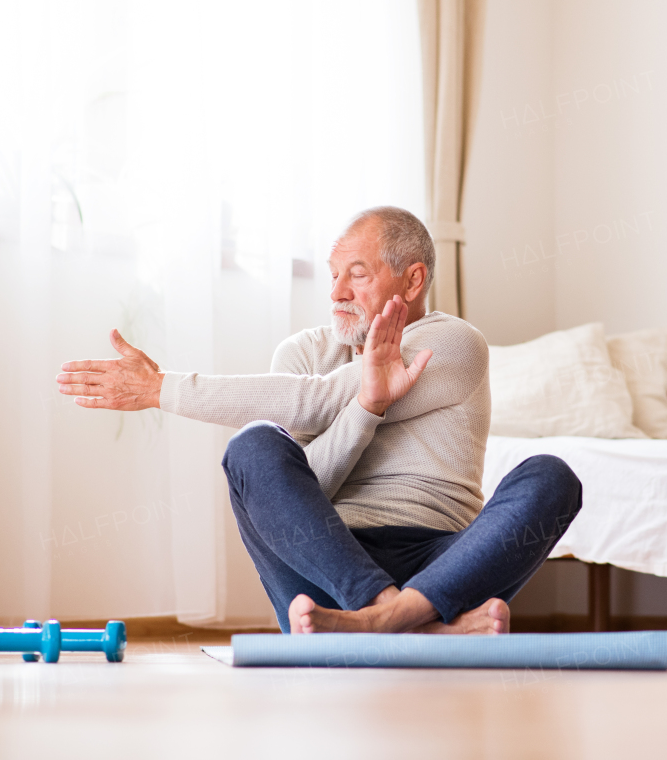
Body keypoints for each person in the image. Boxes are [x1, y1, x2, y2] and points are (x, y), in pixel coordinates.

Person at [56, 206, 582, 634]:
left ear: (413, 279)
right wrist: (366, 408)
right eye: (333, 276)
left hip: (439, 561)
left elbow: (315, 403)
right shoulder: (302, 354)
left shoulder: (454, 343)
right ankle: (408, 621)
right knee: (254, 446)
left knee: (552, 477)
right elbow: (307, 490)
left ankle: (385, 622)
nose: (336, 294)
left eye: (357, 274)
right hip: (328, 563)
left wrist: (159, 388)